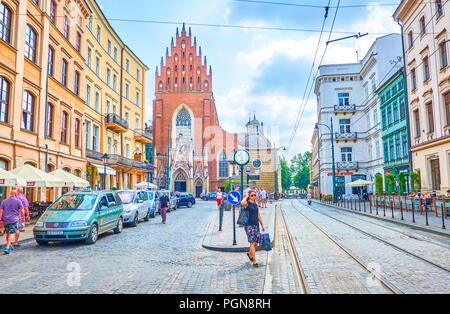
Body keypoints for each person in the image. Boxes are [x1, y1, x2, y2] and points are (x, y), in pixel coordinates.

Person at [241, 189, 265, 267]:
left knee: (256, 243)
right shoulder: (246, 204)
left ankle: (249, 253)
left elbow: (258, 215)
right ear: (249, 196)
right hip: (249, 226)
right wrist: (247, 196)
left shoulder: (255, 204)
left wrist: (262, 225)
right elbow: (242, 202)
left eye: (255, 195)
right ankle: (254, 261)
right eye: (252, 195)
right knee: (252, 243)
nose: (254, 196)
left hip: (256, 225)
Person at [0, 190, 24, 254]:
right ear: (16, 195)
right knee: (12, 233)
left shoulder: (4, 201)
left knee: (8, 233)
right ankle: (7, 247)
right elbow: (22, 210)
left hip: (5, 219)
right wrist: (23, 217)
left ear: (10, 194)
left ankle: (10, 245)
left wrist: (0, 219)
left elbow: (1, 211)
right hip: (14, 219)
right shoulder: (18, 201)